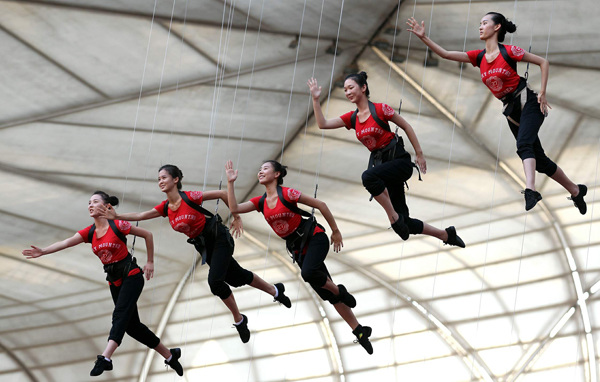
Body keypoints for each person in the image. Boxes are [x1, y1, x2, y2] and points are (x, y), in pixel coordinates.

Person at [407, 12, 587, 213]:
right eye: (480, 23)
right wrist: (423, 37)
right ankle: (575, 190)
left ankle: (531, 190)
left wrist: (543, 92)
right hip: (510, 111)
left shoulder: (509, 51)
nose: (480, 26)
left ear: (497, 27)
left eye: (485, 23)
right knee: (540, 161)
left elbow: (543, 62)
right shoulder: (479, 56)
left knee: (523, 145)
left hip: (528, 103)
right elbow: (446, 54)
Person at [100, 164, 291, 344]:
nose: (160, 181)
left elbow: (222, 194)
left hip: (219, 239)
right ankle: (276, 291)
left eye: (164, 177)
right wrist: (117, 217)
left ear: (175, 179)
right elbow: (142, 216)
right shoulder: (165, 207)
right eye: (158, 179)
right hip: (205, 246)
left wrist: (237, 217)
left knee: (215, 282)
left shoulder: (189, 197)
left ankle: (240, 320)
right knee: (237, 276)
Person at [22, 191, 184, 377]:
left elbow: (147, 234)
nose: (90, 205)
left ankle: (105, 357)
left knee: (120, 315)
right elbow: (66, 242)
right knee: (132, 327)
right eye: (89, 202)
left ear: (107, 207)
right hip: (114, 280)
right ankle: (170, 356)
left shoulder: (117, 225)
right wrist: (43, 251)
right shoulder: (90, 232)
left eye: (96, 202)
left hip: (131, 275)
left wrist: (150, 262)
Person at [225, 159, 375, 354]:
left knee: (309, 273)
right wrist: (230, 182)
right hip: (298, 248)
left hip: (314, 238)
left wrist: (335, 231)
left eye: (265, 169)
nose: (260, 171)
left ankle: (339, 291)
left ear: (277, 174)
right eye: (259, 169)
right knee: (324, 290)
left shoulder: (287, 193)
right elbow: (234, 209)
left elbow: (320, 204)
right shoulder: (260, 202)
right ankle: (358, 330)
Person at [307, 74, 465, 247]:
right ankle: (445, 235)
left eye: (351, 87)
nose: (347, 92)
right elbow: (323, 124)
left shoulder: (381, 109)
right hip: (385, 170)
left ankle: (393, 217)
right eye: (345, 89)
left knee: (368, 177)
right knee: (406, 223)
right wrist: (316, 99)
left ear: (363, 88)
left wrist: (419, 154)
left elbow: (406, 126)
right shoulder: (352, 118)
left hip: (399, 162)